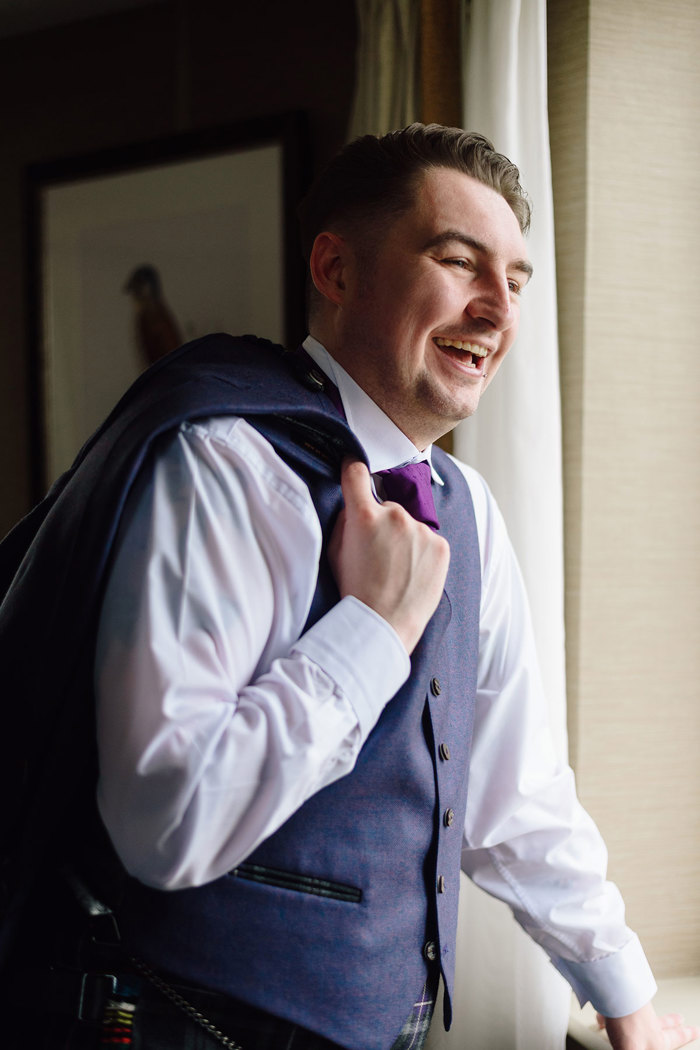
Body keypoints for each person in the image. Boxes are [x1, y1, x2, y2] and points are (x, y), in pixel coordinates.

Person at [0, 124, 696, 1050]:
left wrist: (626, 997)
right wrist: (370, 628)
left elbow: (515, 795)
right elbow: (165, 821)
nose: (498, 309)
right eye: (459, 261)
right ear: (336, 268)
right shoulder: (222, 462)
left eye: (517, 280)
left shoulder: (470, 511)